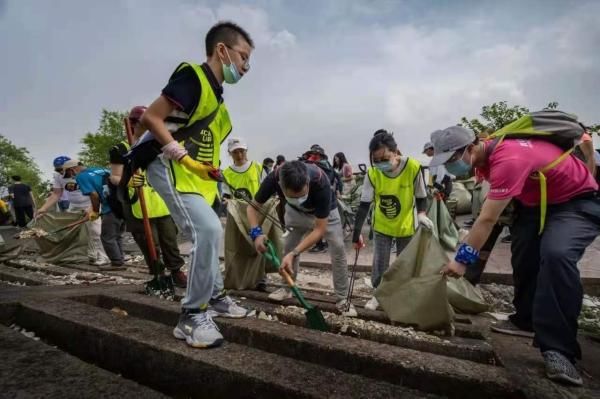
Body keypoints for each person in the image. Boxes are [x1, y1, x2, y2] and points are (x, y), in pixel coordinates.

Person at [431, 125, 600, 386]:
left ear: (472, 146)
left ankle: (558, 350)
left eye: (453, 159)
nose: (452, 167)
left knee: (556, 255)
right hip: (535, 203)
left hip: (574, 201)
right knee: (523, 255)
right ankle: (525, 320)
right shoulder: (486, 157)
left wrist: (462, 260)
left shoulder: (509, 158)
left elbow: (487, 219)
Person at [140, 21, 253, 348]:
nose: (246, 67)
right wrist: (180, 155)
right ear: (222, 50)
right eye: (243, 57)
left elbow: (206, 145)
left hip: (192, 178)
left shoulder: (218, 102)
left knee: (209, 233)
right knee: (208, 232)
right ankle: (191, 316)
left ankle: (215, 297)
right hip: (166, 167)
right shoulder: (193, 77)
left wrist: (210, 173)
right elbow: (151, 117)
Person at [248, 160, 358, 316]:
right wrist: (256, 233)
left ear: (307, 182)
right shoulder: (273, 178)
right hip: (295, 212)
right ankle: (286, 288)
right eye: (293, 196)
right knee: (288, 245)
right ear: (280, 185)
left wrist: (294, 253)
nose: (299, 198)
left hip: (326, 213)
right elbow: (252, 207)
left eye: (302, 194)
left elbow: (319, 230)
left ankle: (343, 298)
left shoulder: (320, 181)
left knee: (338, 248)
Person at [352, 130, 432, 311]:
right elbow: (364, 204)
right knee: (380, 262)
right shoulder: (372, 173)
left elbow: (421, 195)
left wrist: (421, 214)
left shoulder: (412, 167)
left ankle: (401, 295)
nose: (380, 163)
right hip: (382, 224)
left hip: (405, 223)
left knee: (404, 262)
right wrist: (356, 234)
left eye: (385, 158)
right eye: (376, 160)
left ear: (396, 152)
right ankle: (378, 294)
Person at [108, 106, 187, 287]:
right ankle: (157, 273)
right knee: (148, 242)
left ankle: (176, 271)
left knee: (170, 240)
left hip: (161, 201)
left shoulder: (158, 142)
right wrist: (127, 182)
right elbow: (114, 177)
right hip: (137, 204)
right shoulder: (121, 149)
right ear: (132, 124)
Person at [36, 156, 110, 266]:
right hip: (74, 206)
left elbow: (96, 193)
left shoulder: (85, 174)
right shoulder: (58, 176)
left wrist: (92, 209)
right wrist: (43, 208)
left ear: (72, 168)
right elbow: (56, 194)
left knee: (95, 230)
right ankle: (88, 254)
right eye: (58, 170)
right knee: (74, 231)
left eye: (63, 169)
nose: (61, 172)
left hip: (91, 203)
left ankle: (103, 256)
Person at [62, 159, 126, 269]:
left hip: (110, 208)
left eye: (68, 173)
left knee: (107, 237)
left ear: (72, 170)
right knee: (117, 235)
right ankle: (120, 259)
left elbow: (94, 195)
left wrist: (95, 211)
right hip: (124, 205)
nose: (71, 176)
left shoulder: (81, 176)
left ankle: (116, 263)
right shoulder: (100, 169)